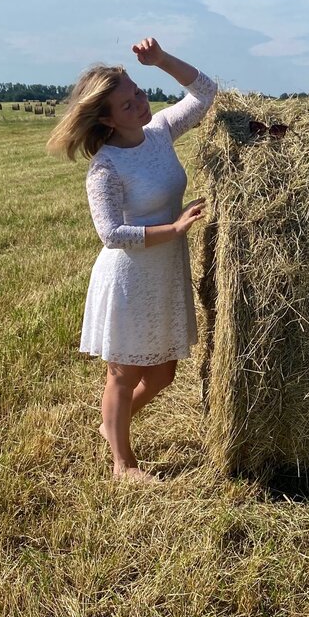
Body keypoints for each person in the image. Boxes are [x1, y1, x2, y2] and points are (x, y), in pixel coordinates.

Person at [47, 38, 217, 481]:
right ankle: (123, 463)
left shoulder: (160, 131)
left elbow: (204, 93)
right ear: (105, 119)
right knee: (123, 374)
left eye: (139, 92)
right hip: (129, 276)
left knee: (163, 373)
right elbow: (111, 233)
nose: (140, 104)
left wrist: (161, 60)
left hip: (163, 272)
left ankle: (111, 424)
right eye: (127, 104)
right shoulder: (104, 168)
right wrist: (175, 229)